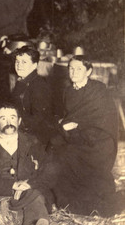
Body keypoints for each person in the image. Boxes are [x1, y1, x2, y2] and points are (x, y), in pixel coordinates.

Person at [49, 56, 123, 216]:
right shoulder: (68, 91)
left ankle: (86, 204)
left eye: (79, 69)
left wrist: (78, 127)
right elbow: (69, 116)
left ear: (88, 71)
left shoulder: (98, 90)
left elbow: (103, 119)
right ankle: (67, 201)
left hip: (97, 141)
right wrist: (67, 125)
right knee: (54, 149)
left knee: (68, 155)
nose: (74, 72)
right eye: (71, 68)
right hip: (76, 136)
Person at [10, 46, 56, 145]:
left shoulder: (39, 85)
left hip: (36, 136)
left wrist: (12, 125)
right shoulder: (21, 81)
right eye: (17, 62)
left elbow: (38, 119)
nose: (19, 65)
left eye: (24, 62)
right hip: (21, 128)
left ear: (34, 65)